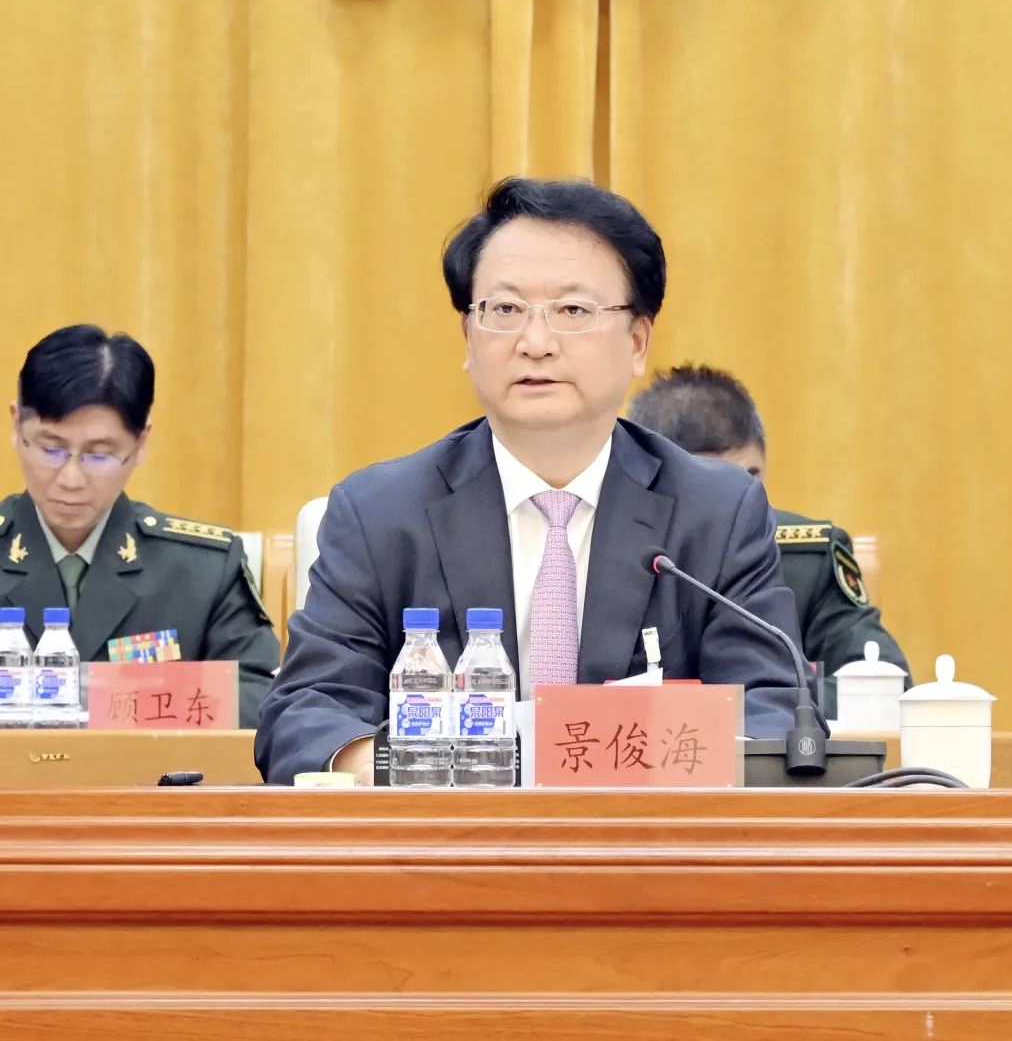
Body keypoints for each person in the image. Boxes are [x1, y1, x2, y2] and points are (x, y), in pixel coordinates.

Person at [256, 176, 817, 784]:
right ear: (468, 338)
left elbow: (772, 710)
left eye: (573, 311)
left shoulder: (717, 513)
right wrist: (412, 769)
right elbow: (306, 712)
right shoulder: (380, 514)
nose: (536, 342)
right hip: (446, 836)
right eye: (505, 310)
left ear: (637, 342)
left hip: (648, 836)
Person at [0, 324, 279, 726]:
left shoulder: (202, 569)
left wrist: (104, 696)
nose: (70, 479)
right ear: (15, 425)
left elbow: (260, 700)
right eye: (50, 449)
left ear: (141, 442)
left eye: (99, 455)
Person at [628, 364, 909, 714]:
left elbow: (886, 688)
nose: (731, 499)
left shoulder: (807, 559)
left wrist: (775, 697)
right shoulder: (608, 550)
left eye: (749, 478)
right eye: (709, 484)